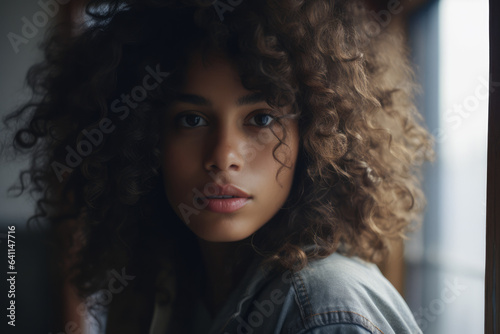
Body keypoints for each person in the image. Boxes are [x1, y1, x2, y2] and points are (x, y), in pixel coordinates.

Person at [2, 0, 434, 333]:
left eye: (261, 119)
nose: (223, 156)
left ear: (318, 138)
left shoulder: (322, 308)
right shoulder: (164, 284)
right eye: (191, 120)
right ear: (143, 138)